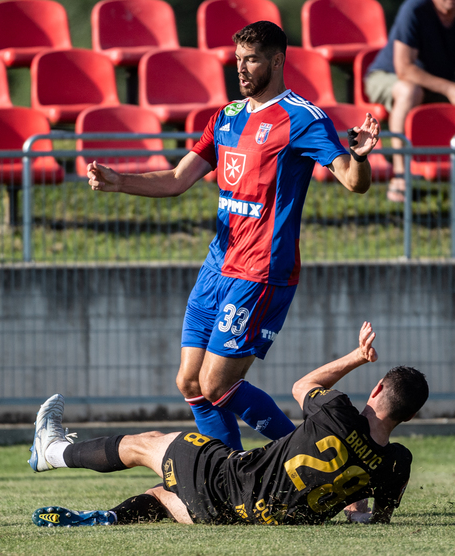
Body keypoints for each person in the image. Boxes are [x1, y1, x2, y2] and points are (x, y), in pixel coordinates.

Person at [86, 21, 381, 452]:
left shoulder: (302, 117)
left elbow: (353, 182)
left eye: (251, 60)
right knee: (190, 381)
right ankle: (224, 475)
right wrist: (119, 182)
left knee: (216, 382)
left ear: (277, 61)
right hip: (217, 267)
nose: (240, 69)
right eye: (238, 59)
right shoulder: (225, 118)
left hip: (261, 271)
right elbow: (177, 179)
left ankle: (315, 456)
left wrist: (359, 155)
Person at [26, 320, 429, 527]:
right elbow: (376, 518)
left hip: (226, 481)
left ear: (377, 389)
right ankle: (109, 518)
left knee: (144, 443)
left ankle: (53, 451)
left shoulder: (336, 412)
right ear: (410, 416)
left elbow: (302, 386)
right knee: (162, 497)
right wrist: (357, 511)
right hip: (244, 516)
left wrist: (358, 356)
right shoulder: (396, 464)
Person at [365, 0, 455, 201]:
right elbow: (404, 69)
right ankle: (400, 175)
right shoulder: (414, 9)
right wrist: (450, 89)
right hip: (389, 76)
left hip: (440, 81)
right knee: (410, 91)